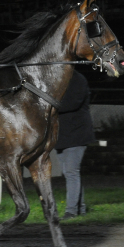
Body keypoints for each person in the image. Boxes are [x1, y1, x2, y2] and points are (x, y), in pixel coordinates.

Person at [55, 71, 95, 220]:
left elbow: (71, 103)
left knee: (71, 173)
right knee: (70, 173)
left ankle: (71, 211)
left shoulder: (78, 79)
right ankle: (80, 209)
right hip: (64, 135)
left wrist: (49, 103)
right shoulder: (61, 77)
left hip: (77, 134)